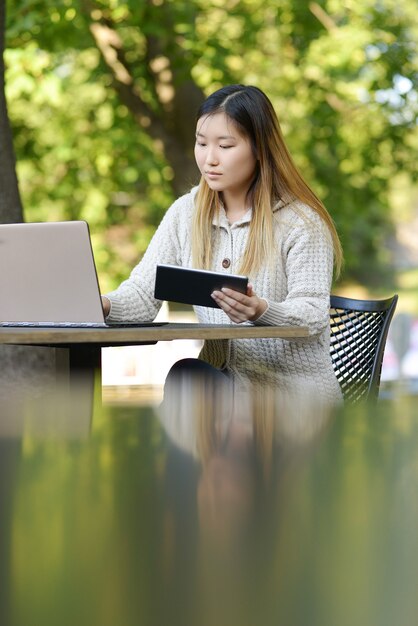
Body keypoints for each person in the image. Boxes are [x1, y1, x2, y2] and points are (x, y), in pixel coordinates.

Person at [102, 84, 343, 403]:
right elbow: (143, 295)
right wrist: (101, 304)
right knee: (186, 375)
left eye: (225, 146)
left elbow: (313, 314)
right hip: (220, 390)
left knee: (188, 381)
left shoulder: (300, 222)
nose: (209, 159)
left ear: (260, 149)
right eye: (201, 143)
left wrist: (261, 310)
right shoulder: (185, 214)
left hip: (291, 398)